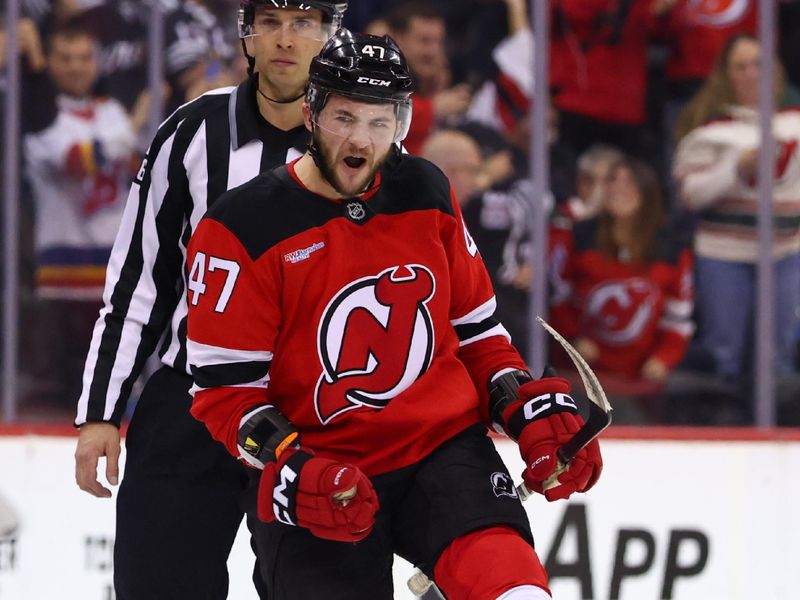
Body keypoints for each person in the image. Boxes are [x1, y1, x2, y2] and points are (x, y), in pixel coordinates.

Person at [186, 29, 602, 600]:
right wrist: (292, 466)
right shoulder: (243, 227)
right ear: (310, 113)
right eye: (344, 118)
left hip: (442, 451)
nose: (362, 139)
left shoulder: (425, 190)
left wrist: (520, 406)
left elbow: (478, 334)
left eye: (381, 122)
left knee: (517, 592)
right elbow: (224, 394)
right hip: (326, 474)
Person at [72, 1, 348, 598]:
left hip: (310, 411)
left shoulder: (361, 142)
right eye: (270, 22)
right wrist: (101, 411)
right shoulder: (193, 130)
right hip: (189, 403)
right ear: (247, 34)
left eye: (303, 23)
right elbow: (139, 283)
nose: (284, 38)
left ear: (330, 35)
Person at [673, 34, 800, 385]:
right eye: (740, 66)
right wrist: (736, 169)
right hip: (723, 251)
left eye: (759, 64)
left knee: (780, 357)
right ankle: (722, 430)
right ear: (726, 75)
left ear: (776, 71)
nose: (751, 73)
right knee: (722, 354)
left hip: (788, 250)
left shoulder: (796, 123)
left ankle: (780, 434)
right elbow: (691, 195)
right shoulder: (711, 130)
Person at [23, 23, 135, 409]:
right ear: (49, 62)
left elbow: (134, 159)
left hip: (112, 261)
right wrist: (131, 131)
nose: (76, 67)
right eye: (66, 58)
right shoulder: (40, 114)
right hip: (63, 268)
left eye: (84, 57)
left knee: (110, 372)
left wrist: (127, 137)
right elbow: (74, 161)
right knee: (69, 382)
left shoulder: (110, 110)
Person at [549, 157, 694, 420]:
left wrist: (664, 358)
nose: (617, 188)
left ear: (647, 193)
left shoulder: (670, 249)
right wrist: (573, 339)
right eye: (612, 181)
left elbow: (678, 319)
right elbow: (557, 298)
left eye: (628, 182)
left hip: (639, 383)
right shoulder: (580, 236)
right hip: (580, 377)